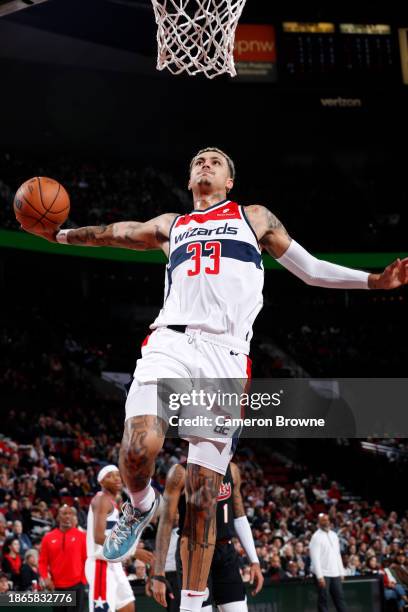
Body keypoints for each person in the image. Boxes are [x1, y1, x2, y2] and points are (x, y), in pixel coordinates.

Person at [28, 147, 408, 612]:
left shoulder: (254, 218)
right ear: (190, 180)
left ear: (230, 181)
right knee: (138, 446)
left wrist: (374, 282)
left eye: (216, 161)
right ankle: (139, 502)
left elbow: (308, 270)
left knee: (204, 495)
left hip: (226, 359)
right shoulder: (173, 225)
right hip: (170, 342)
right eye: (198, 161)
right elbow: (113, 233)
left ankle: (192, 605)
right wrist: (60, 234)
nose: (205, 164)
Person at [150, 461, 263, 611]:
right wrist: (158, 573)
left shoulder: (232, 469)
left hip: (225, 552)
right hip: (194, 552)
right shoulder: (180, 472)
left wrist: (254, 561)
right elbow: (165, 523)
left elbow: (239, 515)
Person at [86, 464, 153, 612]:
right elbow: (98, 537)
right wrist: (132, 551)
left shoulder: (112, 503)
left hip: (113, 565)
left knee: (128, 606)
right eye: (110, 476)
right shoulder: (101, 499)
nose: (116, 478)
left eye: (117, 474)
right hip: (100, 565)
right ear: (101, 482)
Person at [38, 505, 87, 612]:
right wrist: (46, 578)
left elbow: (86, 560)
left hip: (77, 586)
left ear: (74, 517)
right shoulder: (48, 537)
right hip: (57, 588)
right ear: (58, 517)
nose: (67, 516)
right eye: (64, 513)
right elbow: (42, 562)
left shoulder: (82, 536)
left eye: (70, 514)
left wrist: (82, 581)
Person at [309, 513, 347, 612]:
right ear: (319, 522)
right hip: (323, 574)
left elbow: (338, 554)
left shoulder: (334, 535)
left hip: (335, 573)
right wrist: (319, 576)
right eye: (323, 520)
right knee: (323, 600)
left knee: (340, 599)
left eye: (327, 520)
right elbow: (315, 558)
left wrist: (341, 572)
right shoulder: (316, 537)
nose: (326, 522)